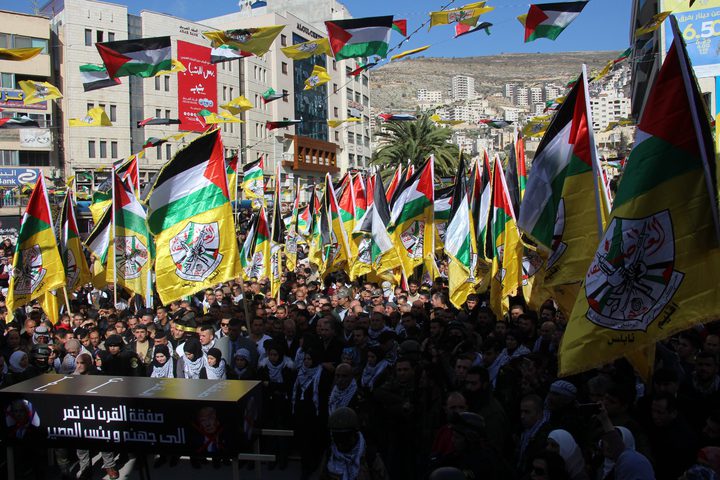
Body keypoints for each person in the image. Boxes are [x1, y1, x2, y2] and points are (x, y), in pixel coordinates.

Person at [318, 407, 388, 480]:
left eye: (345, 437)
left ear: (355, 434)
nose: (341, 443)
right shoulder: (330, 455)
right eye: (337, 437)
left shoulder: (370, 457)